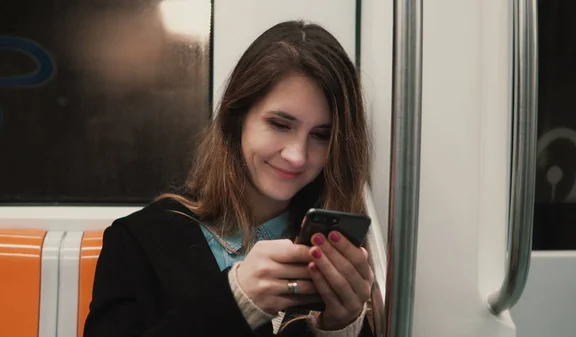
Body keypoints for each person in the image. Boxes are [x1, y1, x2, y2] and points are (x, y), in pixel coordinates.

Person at [83, 20, 378, 337]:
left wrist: (341, 328)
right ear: (236, 119)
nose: (298, 155)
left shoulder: (337, 258)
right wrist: (236, 301)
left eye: (321, 135)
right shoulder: (139, 241)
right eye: (280, 124)